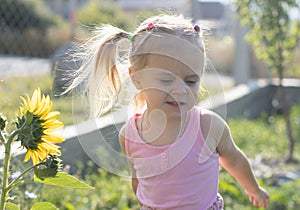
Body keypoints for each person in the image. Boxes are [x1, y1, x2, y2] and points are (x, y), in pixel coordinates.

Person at [67, 14, 269, 209]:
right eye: (165, 80)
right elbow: (138, 182)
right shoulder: (130, 135)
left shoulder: (208, 126)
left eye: (191, 81)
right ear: (137, 78)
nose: (180, 90)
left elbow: (234, 159)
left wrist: (254, 189)